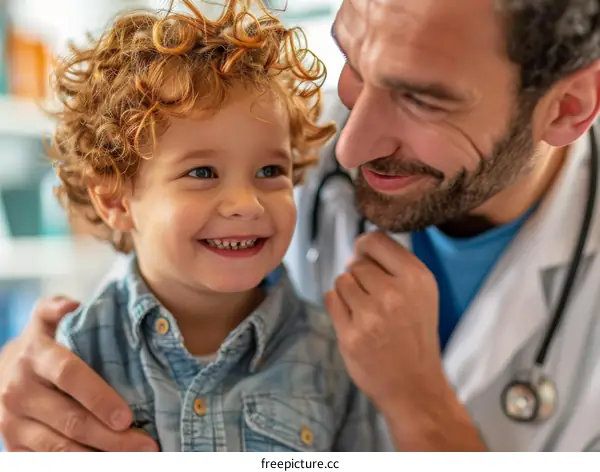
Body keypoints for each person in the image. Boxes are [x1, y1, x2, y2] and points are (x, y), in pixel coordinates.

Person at [1, 0, 599, 452]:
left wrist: (420, 407)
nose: (348, 147)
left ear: (567, 107)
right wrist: (32, 383)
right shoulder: (270, 123)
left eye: (422, 99)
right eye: (355, 63)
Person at [0, 0, 394, 453]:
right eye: (202, 173)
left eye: (270, 171)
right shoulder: (80, 351)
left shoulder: (330, 356)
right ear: (114, 200)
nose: (246, 204)